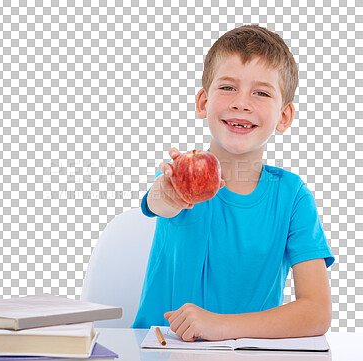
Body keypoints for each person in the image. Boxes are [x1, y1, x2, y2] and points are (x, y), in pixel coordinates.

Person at [132, 24, 335, 342]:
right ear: (203, 102)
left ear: (284, 116)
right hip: (158, 348)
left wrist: (220, 326)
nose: (241, 102)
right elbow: (161, 202)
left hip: (246, 351)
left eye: (261, 92)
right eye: (227, 87)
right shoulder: (178, 180)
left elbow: (316, 312)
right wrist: (169, 193)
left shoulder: (292, 196)